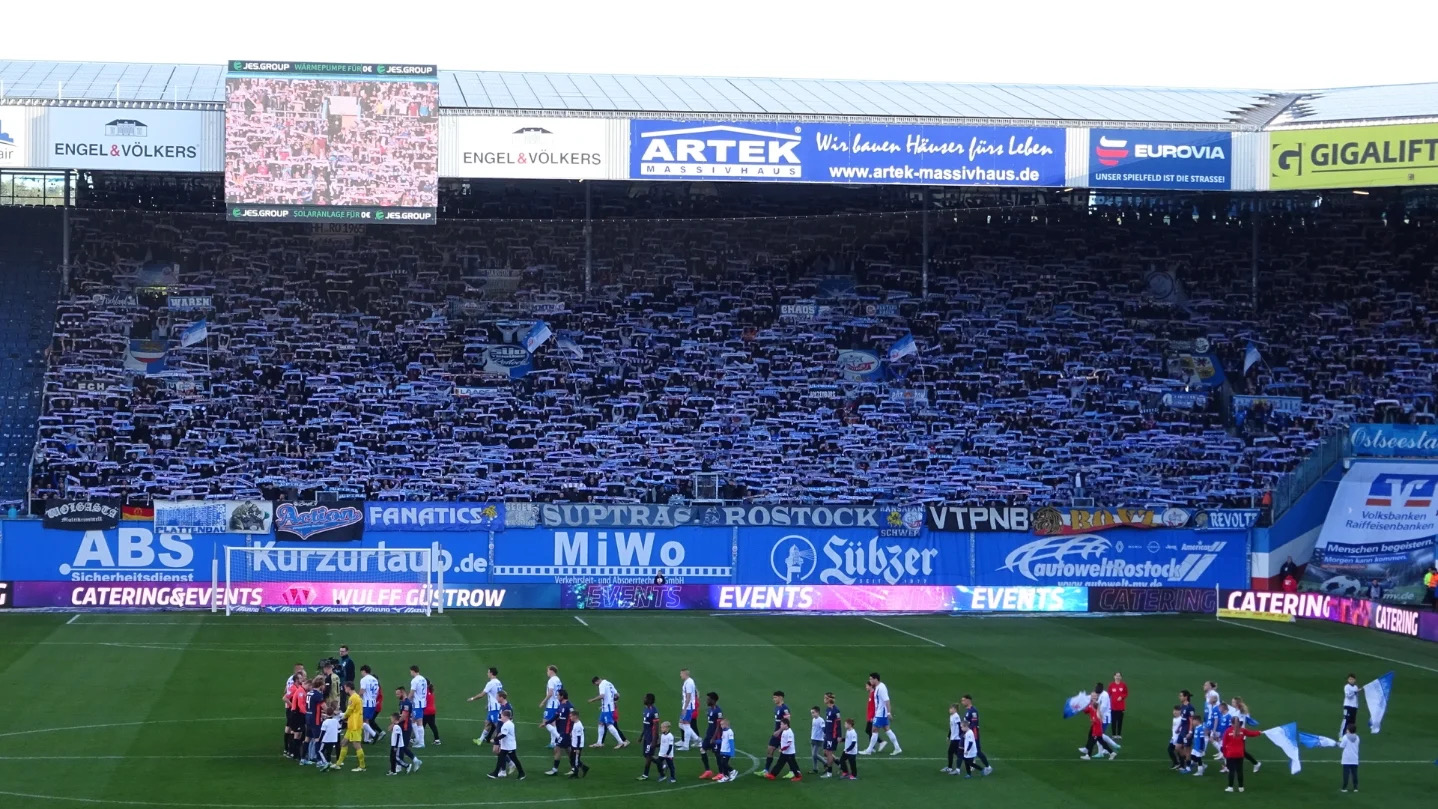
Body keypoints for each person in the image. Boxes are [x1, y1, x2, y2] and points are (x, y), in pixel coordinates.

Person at [861, 672, 901, 755]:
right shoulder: (877, 687)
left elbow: (887, 700)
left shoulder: (881, 688)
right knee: (887, 730)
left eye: (871, 679)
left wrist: (889, 713)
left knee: (874, 730)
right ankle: (897, 748)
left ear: (875, 679)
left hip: (881, 713)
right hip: (880, 712)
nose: (870, 681)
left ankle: (869, 750)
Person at [1221, 717, 1262, 792]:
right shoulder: (1242, 730)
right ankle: (1241, 788)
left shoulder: (1227, 731)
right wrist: (1259, 732)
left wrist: (1225, 754)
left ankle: (1230, 787)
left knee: (1231, 771)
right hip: (1240, 754)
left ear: (1231, 723)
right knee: (1239, 770)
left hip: (1230, 754)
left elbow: (1224, 744)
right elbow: (1251, 734)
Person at [588, 676, 628, 748]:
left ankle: (620, 742)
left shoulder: (602, 684)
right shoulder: (609, 683)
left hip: (607, 708)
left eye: (596, 684)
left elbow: (602, 695)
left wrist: (593, 700)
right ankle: (599, 742)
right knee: (600, 723)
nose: (596, 686)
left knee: (609, 725)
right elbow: (617, 695)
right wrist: (612, 702)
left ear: (597, 681)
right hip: (606, 708)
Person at [336, 682, 367, 772]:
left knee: (357, 745)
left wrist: (341, 716)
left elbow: (349, 711)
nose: (344, 689)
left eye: (345, 687)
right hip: (352, 725)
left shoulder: (353, 698)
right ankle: (338, 764)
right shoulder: (356, 697)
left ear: (348, 688)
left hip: (355, 725)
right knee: (344, 743)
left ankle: (362, 766)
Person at [488, 708, 526, 780]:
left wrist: (494, 740)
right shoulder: (509, 723)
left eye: (502, 716)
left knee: (513, 760)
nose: (501, 717)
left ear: (506, 717)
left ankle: (521, 773)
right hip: (507, 746)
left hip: (509, 746)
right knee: (501, 758)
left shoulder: (507, 725)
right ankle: (495, 773)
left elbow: (503, 735)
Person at [469, 667, 504, 745]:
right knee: (487, 723)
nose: (487, 674)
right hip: (494, 707)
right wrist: (488, 705)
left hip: (495, 708)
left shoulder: (491, 683)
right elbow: (495, 695)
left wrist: (472, 698)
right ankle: (480, 740)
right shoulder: (499, 682)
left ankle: (501, 741)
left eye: (488, 672)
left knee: (498, 726)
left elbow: (482, 694)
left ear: (491, 673)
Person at [960, 694, 993, 775]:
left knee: (978, 751)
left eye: (963, 700)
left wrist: (967, 731)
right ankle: (972, 764)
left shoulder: (973, 711)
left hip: (973, 733)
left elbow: (974, 724)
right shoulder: (968, 710)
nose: (962, 702)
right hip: (968, 733)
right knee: (969, 748)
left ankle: (988, 767)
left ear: (968, 700)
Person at [761, 690, 791, 775]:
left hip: (783, 734)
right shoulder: (776, 708)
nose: (773, 699)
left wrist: (779, 731)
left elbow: (787, 722)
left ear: (780, 697)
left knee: (786, 753)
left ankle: (793, 771)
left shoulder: (785, 708)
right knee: (770, 749)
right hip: (777, 733)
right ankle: (766, 770)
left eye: (775, 697)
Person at [545, 689, 574, 775]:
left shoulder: (569, 706)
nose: (557, 696)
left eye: (558, 695)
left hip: (566, 732)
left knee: (557, 748)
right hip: (561, 731)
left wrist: (572, 731)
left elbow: (573, 719)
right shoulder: (561, 705)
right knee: (568, 750)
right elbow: (556, 715)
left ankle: (555, 770)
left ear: (562, 696)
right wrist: (546, 723)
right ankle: (575, 767)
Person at [1079, 695, 1117, 760]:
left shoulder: (1097, 713)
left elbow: (1097, 721)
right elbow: (1086, 711)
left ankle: (1088, 756)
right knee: (1102, 742)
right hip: (1097, 729)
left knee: (1092, 742)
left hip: (1097, 731)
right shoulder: (1094, 709)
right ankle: (1112, 753)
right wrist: (1082, 707)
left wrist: (1093, 720)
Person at [699, 691, 723, 779]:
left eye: (708, 699)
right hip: (708, 735)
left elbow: (719, 726)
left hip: (715, 736)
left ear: (713, 700)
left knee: (717, 754)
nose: (707, 701)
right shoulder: (709, 710)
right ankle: (708, 771)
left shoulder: (718, 711)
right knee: (702, 749)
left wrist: (714, 737)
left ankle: (721, 773)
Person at [540, 665, 563, 748]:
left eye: (548, 670)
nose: (547, 672)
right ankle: (553, 743)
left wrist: (543, 702)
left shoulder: (551, 680)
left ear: (551, 671)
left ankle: (559, 738)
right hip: (557, 703)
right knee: (553, 723)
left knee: (545, 722)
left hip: (551, 704)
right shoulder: (558, 680)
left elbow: (550, 693)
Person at [638, 693, 660, 780]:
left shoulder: (654, 711)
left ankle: (645, 775)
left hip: (651, 737)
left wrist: (654, 740)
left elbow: (656, 726)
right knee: (646, 754)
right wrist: (641, 736)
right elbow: (646, 725)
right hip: (646, 736)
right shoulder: (646, 710)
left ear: (649, 700)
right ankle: (661, 764)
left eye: (645, 698)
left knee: (648, 755)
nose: (643, 699)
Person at [678, 668, 701, 751]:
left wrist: (685, 708)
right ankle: (697, 738)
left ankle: (686, 746)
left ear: (685, 674)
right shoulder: (688, 682)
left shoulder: (689, 683)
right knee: (681, 724)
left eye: (681, 673)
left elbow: (688, 696)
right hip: (687, 706)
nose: (680, 675)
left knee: (686, 725)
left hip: (688, 706)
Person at [821, 691, 842, 777]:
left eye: (825, 698)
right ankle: (840, 763)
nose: (824, 699)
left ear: (829, 699)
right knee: (825, 752)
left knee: (829, 753)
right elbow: (828, 723)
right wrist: (825, 732)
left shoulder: (836, 711)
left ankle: (829, 773)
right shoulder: (828, 709)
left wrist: (839, 735)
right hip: (827, 734)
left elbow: (838, 724)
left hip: (833, 735)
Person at [408, 666, 429, 748]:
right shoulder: (423, 679)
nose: (410, 673)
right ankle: (417, 738)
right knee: (413, 720)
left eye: (410, 671)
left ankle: (421, 743)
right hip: (422, 702)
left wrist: (406, 701)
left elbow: (412, 692)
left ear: (413, 671)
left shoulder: (415, 680)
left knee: (419, 722)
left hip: (417, 704)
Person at [359, 665, 381, 740]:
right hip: (373, 702)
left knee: (364, 721)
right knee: (366, 720)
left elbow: (362, 690)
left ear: (363, 671)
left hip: (366, 703)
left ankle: (372, 735)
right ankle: (366, 739)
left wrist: (357, 697)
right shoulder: (375, 680)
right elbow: (377, 691)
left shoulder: (364, 679)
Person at [1107, 672, 1128, 739]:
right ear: (1114, 677)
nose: (1118, 677)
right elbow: (1108, 694)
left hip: (1121, 707)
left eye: (1119, 676)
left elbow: (1126, 693)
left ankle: (1118, 734)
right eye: (1116, 676)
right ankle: (1113, 734)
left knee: (1120, 721)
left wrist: (1121, 697)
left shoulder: (1123, 685)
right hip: (1113, 707)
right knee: (1113, 721)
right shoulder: (1111, 685)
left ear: (1121, 677)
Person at [1339, 723, 1360, 792]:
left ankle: (1344, 788)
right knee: (1354, 774)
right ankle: (1355, 788)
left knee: (1346, 774)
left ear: (1349, 730)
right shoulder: (1357, 737)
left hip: (1347, 758)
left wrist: (1339, 742)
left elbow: (1341, 746)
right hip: (1354, 758)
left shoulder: (1345, 737)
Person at [944, 703, 963, 774]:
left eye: (951, 708)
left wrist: (961, 735)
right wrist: (949, 736)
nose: (949, 709)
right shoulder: (951, 716)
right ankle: (970, 762)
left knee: (950, 752)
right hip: (953, 738)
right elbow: (951, 727)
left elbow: (960, 726)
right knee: (956, 753)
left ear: (954, 709)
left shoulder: (956, 716)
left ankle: (949, 768)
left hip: (956, 738)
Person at [716, 717, 737, 782]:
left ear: (726, 724)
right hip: (723, 750)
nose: (721, 726)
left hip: (727, 751)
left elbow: (731, 742)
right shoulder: (724, 731)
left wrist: (732, 752)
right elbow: (723, 740)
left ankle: (733, 771)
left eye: (722, 724)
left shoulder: (730, 732)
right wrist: (715, 741)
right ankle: (726, 776)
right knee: (722, 764)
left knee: (724, 763)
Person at [422, 680, 440, 745]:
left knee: (421, 726)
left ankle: (417, 739)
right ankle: (437, 740)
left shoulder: (424, 692)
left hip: (426, 711)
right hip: (432, 710)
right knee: (432, 725)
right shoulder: (431, 691)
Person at [808, 706, 825, 773]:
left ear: (817, 712)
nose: (812, 714)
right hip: (813, 738)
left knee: (814, 754)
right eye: (811, 713)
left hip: (819, 740)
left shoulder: (821, 720)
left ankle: (825, 763)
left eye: (813, 712)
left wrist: (824, 737)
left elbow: (824, 729)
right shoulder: (814, 719)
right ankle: (815, 769)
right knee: (813, 756)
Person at [1168, 705, 1183, 770]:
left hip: (1178, 738)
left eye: (1177, 710)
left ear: (1180, 711)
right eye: (1174, 710)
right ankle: (1177, 763)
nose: (1175, 712)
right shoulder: (1174, 718)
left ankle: (1181, 764)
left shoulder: (1181, 719)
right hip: (1174, 738)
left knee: (1179, 751)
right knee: (1170, 750)